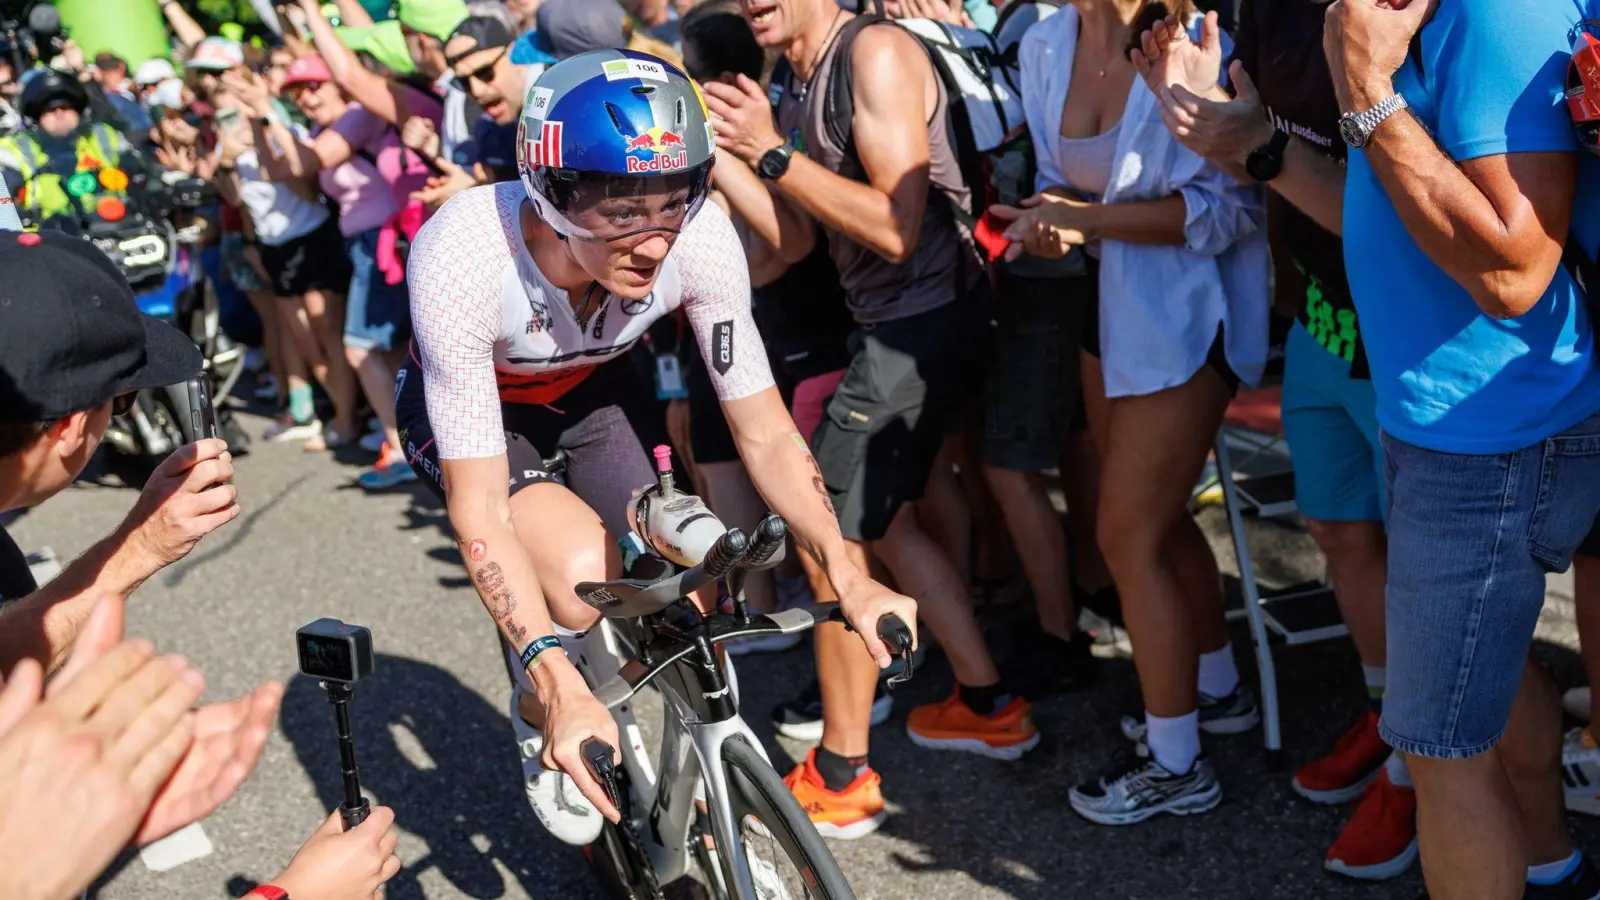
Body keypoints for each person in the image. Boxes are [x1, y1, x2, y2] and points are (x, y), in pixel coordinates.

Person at [399, 48, 918, 846]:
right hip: (486, 416)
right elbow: (479, 507)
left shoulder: (700, 237)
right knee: (579, 582)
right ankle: (545, 704)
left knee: (693, 570)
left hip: (596, 390)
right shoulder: (463, 255)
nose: (652, 240)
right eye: (620, 213)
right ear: (552, 193)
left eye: (674, 200)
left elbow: (766, 428)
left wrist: (849, 577)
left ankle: (692, 772)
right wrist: (553, 673)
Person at [708, 0, 1036, 838]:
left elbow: (894, 225)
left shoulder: (876, 53)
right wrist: (725, 157)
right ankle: (986, 701)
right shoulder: (793, 76)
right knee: (882, 527)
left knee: (832, 542)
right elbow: (796, 240)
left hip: (927, 320)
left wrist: (771, 150)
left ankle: (845, 771)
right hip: (886, 325)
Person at [1322, 0, 1597, 895]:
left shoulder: (1495, 11)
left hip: (1488, 439)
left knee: (1440, 752)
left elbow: (1515, 272)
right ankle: (1551, 862)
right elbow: (1406, 210)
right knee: (1488, 676)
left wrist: (1365, 89)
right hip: (1453, 429)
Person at [1131, 0, 1410, 878]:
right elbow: (1260, 164)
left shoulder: (1383, 13)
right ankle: (1385, 716)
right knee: (1339, 532)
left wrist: (1252, 145)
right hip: (1321, 324)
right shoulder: (1253, 7)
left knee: (1426, 563)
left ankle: (1421, 764)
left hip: (1402, 323)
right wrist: (1207, 116)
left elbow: (1394, 202)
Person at [997, 0, 1267, 825]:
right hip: (1106, 309)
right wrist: (1050, 222)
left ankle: (1178, 763)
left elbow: (1232, 211)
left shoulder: (1194, 42)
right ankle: (1215, 689)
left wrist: (1084, 223)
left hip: (1193, 317)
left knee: (1124, 533)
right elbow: (1057, 174)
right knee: (1153, 518)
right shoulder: (1046, 40)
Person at [0, 68, 143, 232]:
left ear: (79, 109)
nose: (60, 114)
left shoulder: (103, 136)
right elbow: (3, 198)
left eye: (66, 106)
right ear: (35, 117)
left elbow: (141, 172)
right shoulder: (17, 150)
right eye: (50, 110)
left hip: (120, 230)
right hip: (52, 243)